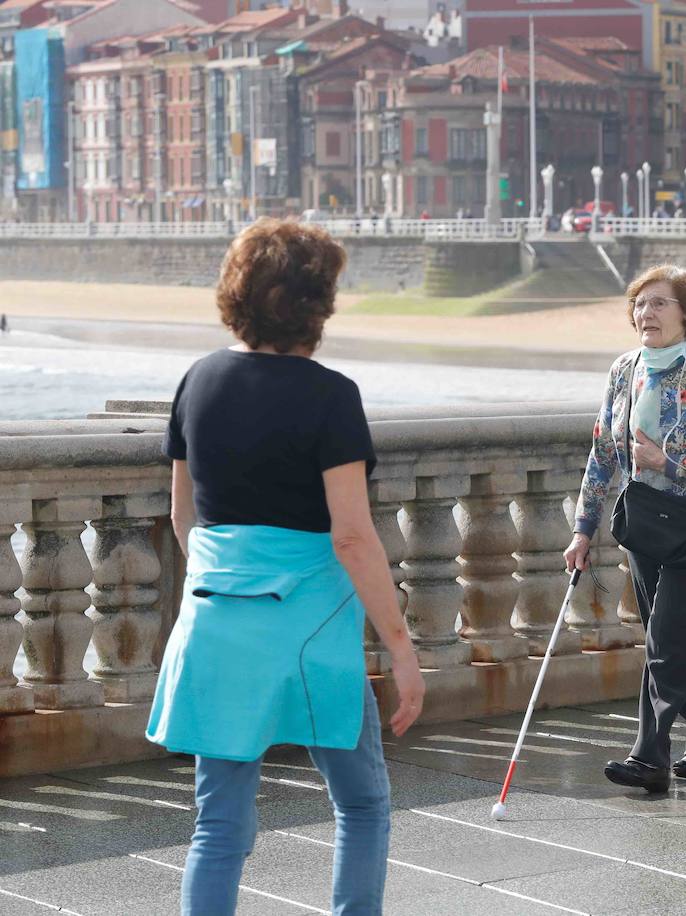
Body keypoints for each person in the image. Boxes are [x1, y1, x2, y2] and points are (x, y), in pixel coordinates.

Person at [145, 219, 425, 915]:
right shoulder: (330, 396)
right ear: (317, 303)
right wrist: (400, 648)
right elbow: (352, 538)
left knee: (219, 826)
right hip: (309, 629)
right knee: (361, 804)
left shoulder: (199, 379)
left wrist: (233, 583)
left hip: (218, 620)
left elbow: (186, 519)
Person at [565, 265, 686, 793]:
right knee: (674, 632)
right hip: (646, 521)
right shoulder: (625, 369)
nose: (647, 313)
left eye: (661, 303)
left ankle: (650, 758)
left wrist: (667, 463)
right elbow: (602, 455)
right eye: (641, 304)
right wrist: (582, 530)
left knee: (668, 637)